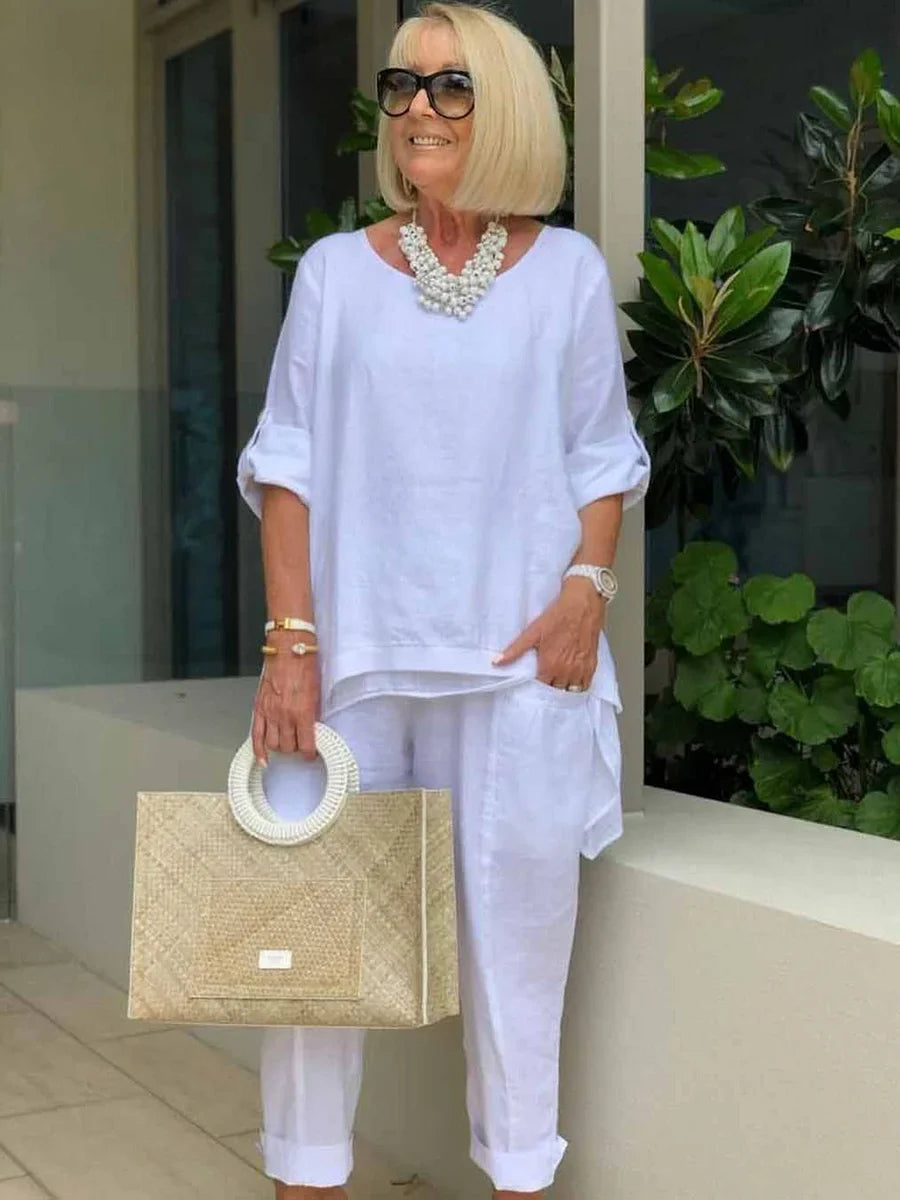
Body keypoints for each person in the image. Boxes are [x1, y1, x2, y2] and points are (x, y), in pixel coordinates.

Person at [236, 3, 650, 1197]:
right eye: (403, 86)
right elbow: (287, 467)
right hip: (353, 666)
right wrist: (290, 648)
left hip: (521, 669)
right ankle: (304, 1181)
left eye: (450, 86)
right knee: (314, 958)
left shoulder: (566, 273)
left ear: (503, 106)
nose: (418, 107)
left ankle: (518, 1177)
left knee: (520, 956)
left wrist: (586, 595)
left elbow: (601, 457)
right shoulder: (334, 274)